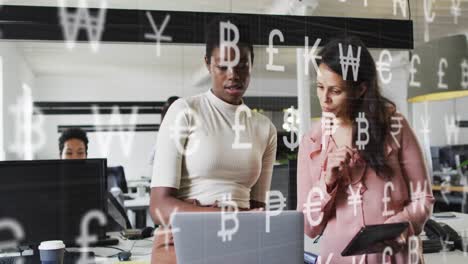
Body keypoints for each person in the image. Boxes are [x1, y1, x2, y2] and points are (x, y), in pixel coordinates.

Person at [150, 16, 277, 263]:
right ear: (208, 64)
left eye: (242, 65)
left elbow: (259, 209)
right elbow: (158, 207)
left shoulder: (265, 128)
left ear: (252, 63)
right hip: (184, 239)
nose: (233, 75)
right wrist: (221, 214)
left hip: (239, 240)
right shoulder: (184, 111)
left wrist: (237, 219)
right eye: (222, 66)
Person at [296, 36, 434, 263]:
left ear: (360, 89)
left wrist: (393, 228)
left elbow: (424, 197)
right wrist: (327, 182)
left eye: (335, 91)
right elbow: (309, 227)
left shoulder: (395, 127)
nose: (325, 99)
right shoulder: (312, 142)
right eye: (320, 87)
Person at [58, 127, 131, 231]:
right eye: (69, 153)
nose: (75, 158)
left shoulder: (97, 185)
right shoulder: (51, 187)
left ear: (86, 156)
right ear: (61, 156)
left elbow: (120, 225)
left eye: (80, 153)